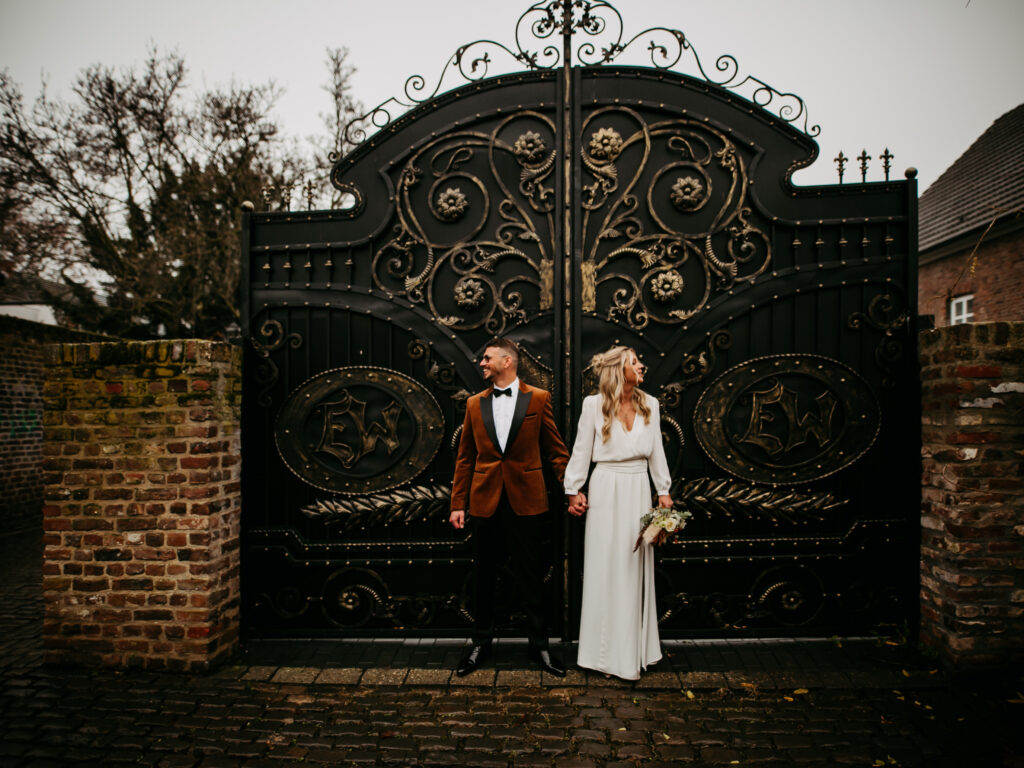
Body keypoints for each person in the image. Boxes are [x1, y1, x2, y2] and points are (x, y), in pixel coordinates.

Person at [449, 338, 570, 676]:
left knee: (532, 575)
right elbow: (465, 458)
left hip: (527, 499)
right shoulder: (474, 403)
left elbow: (555, 450)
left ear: (507, 360)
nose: (482, 363)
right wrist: (458, 503)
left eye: (487, 358)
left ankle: (540, 647)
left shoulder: (539, 399)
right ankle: (480, 644)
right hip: (484, 501)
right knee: (483, 575)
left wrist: (573, 489)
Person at [564, 346, 674, 680]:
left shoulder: (650, 403)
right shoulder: (593, 405)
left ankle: (632, 652)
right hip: (606, 487)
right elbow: (582, 449)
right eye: (635, 362)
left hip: (638, 488)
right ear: (617, 369)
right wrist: (573, 490)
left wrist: (664, 491)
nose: (642, 365)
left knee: (632, 567)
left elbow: (656, 452)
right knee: (604, 566)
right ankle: (600, 655)